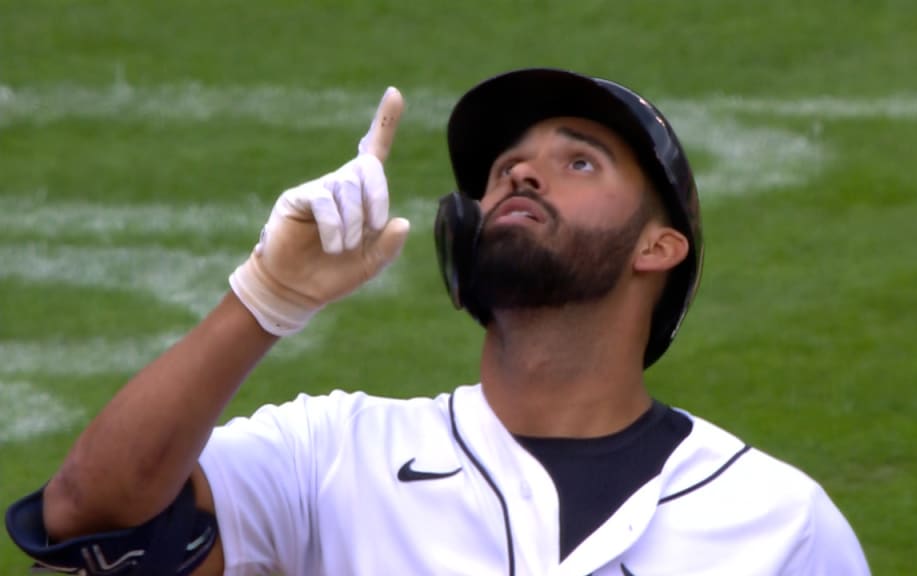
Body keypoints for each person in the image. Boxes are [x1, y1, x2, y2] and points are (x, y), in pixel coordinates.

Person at [5, 68, 871, 575]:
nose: (523, 176)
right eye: (505, 168)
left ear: (660, 245)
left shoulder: (778, 521)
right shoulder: (335, 458)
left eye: (577, 159)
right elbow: (89, 512)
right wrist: (266, 297)